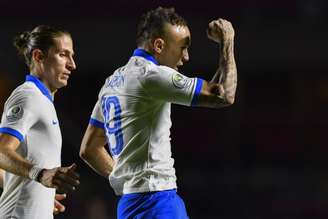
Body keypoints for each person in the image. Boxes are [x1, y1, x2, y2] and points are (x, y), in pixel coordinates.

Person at [80, 6, 237, 219]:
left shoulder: (112, 82)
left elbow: (89, 148)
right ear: (159, 45)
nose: (186, 57)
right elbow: (225, 95)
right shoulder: (152, 76)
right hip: (158, 202)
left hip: (129, 205)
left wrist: (127, 178)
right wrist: (228, 40)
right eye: (183, 47)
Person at [0, 25, 80, 219]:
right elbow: (1, 151)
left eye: (72, 56)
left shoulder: (43, 101)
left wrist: (37, 192)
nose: (72, 64)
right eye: (63, 55)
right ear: (38, 56)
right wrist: (41, 175)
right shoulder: (28, 96)